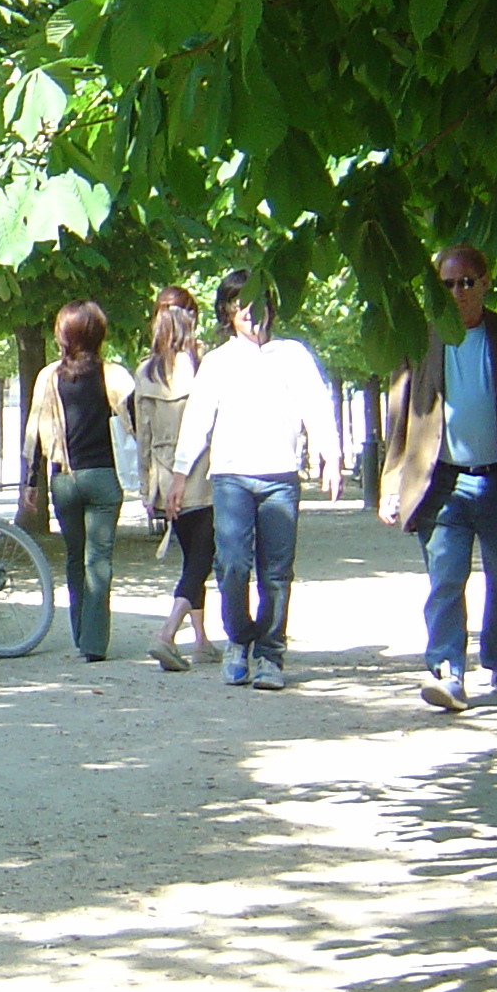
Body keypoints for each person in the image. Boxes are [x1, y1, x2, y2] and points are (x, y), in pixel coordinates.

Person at [378, 244, 497, 712]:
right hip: (442, 482)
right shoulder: (419, 340)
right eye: (448, 284)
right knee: (445, 578)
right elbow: (400, 417)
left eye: (467, 281)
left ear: (485, 282)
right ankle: (448, 671)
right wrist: (390, 483)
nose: (459, 292)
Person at [166, 269, 341, 691]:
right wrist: (179, 473)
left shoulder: (292, 355)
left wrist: (330, 454)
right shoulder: (217, 362)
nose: (249, 312)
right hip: (230, 478)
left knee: (276, 572)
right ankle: (238, 641)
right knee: (232, 565)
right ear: (227, 310)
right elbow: (197, 421)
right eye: (239, 303)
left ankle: (269, 654)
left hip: (280, 477)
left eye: (257, 302)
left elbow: (317, 405)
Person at [23, 300, 136, 665]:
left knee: (74, 557)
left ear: (64, 334)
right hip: (104, 477)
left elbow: (33, 434)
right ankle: (94, 642)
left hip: (64, 481)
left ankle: (79, 634)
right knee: (98, 560)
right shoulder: (113, 374)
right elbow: (135, 418)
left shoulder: (48, 376)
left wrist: (30, 482)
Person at [126, 286, 215, 668]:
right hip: (204, 470)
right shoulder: (204, 361)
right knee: (203, 557)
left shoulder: (145, 370)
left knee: (192, 556)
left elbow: (142, 433)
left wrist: (147, 487)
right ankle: (167, 632)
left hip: (164, 474)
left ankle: (202, 640)